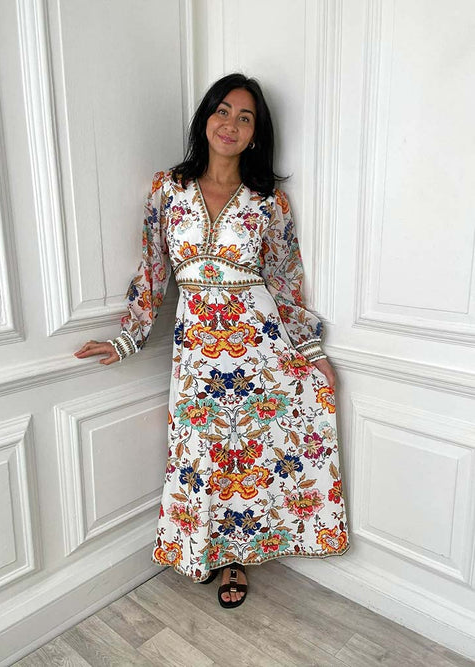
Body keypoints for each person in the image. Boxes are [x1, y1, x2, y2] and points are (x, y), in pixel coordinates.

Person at [75, 73, 349, 609]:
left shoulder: (269, 202)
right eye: (223, 111)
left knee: (248, 451)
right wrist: (127, 339)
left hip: (259, 343)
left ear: (256, 133)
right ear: (206, 118)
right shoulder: (168, 189)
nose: (231, 124)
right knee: (201, 453)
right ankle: (202, 550)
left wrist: (311, 351)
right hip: (197, 349)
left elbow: (284, 280)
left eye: (245, 118)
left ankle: (235, 559)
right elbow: (153, 271)